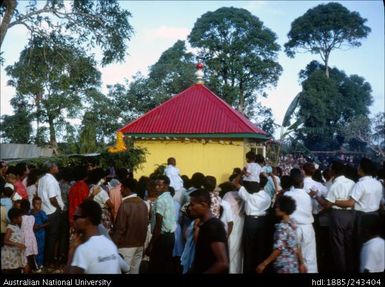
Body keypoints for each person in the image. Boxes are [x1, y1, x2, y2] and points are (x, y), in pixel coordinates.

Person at [312, 160, 356, 273]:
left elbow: (327, 205)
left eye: (331, 169)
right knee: (349, 245)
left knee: (338, 247)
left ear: (334, 171)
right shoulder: (352, 183)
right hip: (351, 215)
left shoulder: (334, 185)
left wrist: (316, 196)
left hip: (338, 216)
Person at [67, 200, 129, 274]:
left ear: (87, 219)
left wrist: (72, 251)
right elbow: (126, 268)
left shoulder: (83, 250)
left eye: (76, 217)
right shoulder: (110, 245)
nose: (73, 220)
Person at [256, 196, 306, 273]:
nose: (276, 209)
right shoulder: (293, 223)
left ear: (284, 210)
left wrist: (264, 263)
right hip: (293, 265)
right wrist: (302, 263)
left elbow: (279, 249)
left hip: (283, 266)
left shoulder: (282, 227)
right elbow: (297, 246)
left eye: (278, 207)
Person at [233, 173, 271, 273]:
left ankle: (248, 269)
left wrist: (241, 173)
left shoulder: (250, 196)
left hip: (250, 222)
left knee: (248, 249)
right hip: (262, 222)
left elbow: (235, 183)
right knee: (260, 248)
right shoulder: (267, 197)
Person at [112, 178, 148, 274]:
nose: (120, 190)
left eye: (122, 187)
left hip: (126, 246)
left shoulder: (125, 204)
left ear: (127, 189)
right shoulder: (143, 203)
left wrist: (112, 244)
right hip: (139, 244)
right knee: (134, 271)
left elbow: (120, 228)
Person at [188, 188, 229, 273]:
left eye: (192, 205)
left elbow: (223, 263)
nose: (189, 208)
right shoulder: (204, 225)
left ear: (203, 205)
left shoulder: (214, 227)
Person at [285, 169, 318, 273]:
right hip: (307, 228)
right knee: (309, 259)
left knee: (292, 259)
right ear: (302, 183)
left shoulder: (287, 195)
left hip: (293, 228)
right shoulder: (308, 196)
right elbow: (314, 209)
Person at [146, 175, 176, 273]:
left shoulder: (161, 200)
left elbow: (158, 226)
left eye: (159, 185)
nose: (156, 187)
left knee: (156, 266)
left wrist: (151, 245)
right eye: (156, 185)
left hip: (161, 237)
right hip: (170, 237)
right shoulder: (169, 197)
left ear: (166, 186)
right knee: (165, 265)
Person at [37, 161, 64, 267]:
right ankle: (50, 261)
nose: (57, 167)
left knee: (47, 237)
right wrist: (59, 208)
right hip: (52, 211)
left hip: (44, 211)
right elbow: (52, 198)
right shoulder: (51, 181)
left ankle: (45, 260)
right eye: (56, 165)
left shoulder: (42, 179)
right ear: (51, 168)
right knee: (52, 237)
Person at [221, 180, 244, 274]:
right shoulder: (244, 196)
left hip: (229, 222)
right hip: (241, 222)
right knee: (238, 250)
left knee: (229, 248)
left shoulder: (227, 195)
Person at [1, 207, 26, 273]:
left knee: (17, 268)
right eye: (20, 217)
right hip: (10, 254)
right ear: (14, 219)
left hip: (15, 253)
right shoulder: (10, 228)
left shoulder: (16, 226)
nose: (21, 218)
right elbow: (5, 240)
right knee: (12, 270)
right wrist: (17, 244)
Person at [18, 199, 38, 273]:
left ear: (21, 207)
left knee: (24, 255)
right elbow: (33, 227)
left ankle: (25, 269)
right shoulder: (32, 217)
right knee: (30, 255)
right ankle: (32, 268)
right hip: (31, 238)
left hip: (23, 238)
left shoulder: (20, 218)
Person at [31, 197, 48, 270]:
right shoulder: (30, 212)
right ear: (33, 204)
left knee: (40, 249)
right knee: (32, 249)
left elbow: (48, 222)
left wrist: (40, 226)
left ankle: (40, 264)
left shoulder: (42, 213)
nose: (38, 206)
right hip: (32, 234)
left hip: (40, 234)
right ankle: (34, 264)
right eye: (37, 204)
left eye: (40, 204)